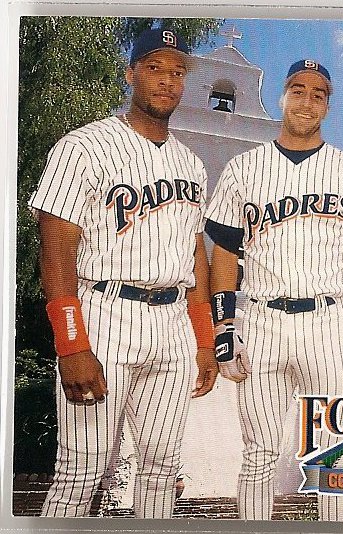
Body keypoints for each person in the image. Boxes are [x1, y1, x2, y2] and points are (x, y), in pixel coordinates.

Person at [29, 28, 218, 518]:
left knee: (162, 469)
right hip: (105, 313)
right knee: (82, 470)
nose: (167, 81)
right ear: (131, 73)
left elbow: (194, 254)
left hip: (172, 323)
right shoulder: (83, 146)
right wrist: (71, 343)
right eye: (155, 68)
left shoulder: (192, 165)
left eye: (177, 72)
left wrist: (204, 337)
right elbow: (56, 249)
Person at [204, 59, 343, 521]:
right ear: (283, 97)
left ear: (328, 105)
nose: (307, 101)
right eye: (298, 90)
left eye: (318, 94)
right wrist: (223, 327)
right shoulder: (243, 167)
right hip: (261, 319)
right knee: (259, 453)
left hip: (327, 321)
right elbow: (224, 252)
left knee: (337, 451)